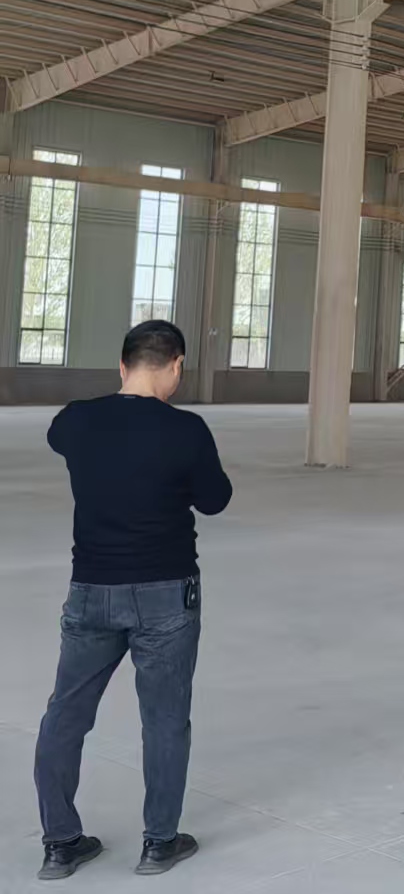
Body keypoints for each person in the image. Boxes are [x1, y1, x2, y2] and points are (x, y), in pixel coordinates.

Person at [33, 320, 233, 880]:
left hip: (90, 593)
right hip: (166, 595)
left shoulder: (76, 420)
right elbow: (215, 500)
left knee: (66, 714)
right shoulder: (186, 430)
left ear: (122, 366)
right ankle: (159, 843)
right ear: (177, 366)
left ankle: (59, 845)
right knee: (165, 721)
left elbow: (60, 440)